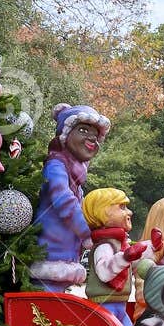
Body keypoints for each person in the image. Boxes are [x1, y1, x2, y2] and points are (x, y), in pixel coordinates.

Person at [33, 103, 109, 292]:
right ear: (65, 136)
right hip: (50, 253)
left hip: (65, 257)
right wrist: (85, 233)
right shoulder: (56, 166)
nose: (92, 138)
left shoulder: (76, 175)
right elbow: (63, 200)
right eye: (83, 130)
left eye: (96, 135)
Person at [81, 188, 152, 326]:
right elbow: (105, 272)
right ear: (103, 213)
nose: (129, 212)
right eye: (122, 207)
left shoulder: (121, 244)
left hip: (120, 304)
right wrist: (126, 256)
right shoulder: (104, 245)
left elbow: (131, 265)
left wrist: (151, 248)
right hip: (104, 305)